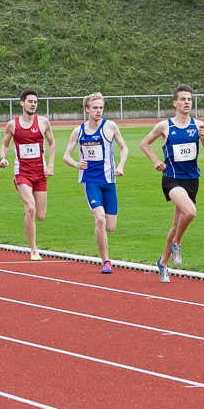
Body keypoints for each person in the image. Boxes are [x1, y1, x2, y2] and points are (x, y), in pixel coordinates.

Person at [140, 84, 204, 283]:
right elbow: (144, 143)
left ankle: (163, 263)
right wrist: (156, 161)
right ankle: (178, 244)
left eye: (189, 99)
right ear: (175, 103)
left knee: (175, 225)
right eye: (183, 99)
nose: (186, 102)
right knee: (190, 212)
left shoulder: (198, 125)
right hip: (172, 179)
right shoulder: (165, 126)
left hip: (192, 180)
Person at [61, 92, 128, 273]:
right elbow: (66, 156)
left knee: (110, 226)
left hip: (109, 181)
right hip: (90, 181)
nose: (99, 111)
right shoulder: (79, 131)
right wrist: (77, 164)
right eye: (95, 108)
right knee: (99, 219)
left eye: (101, 108)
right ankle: (106, 261)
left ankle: (103, 242)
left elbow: (124, 147)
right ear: (87, 110)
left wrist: (120, 166)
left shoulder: (110, 127)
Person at [0, 89, 55, 260]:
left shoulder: (43, 122)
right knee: (30, 208)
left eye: (35, 102)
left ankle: (33, 244)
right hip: (22, 172)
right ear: (22, 103)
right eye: (30, 101)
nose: (33, 105)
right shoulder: (12, 125)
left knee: (40, 215)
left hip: (40, 173)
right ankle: (34, 249)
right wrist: (2, 157)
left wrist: (50, 165)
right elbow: (5, 144)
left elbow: (52, 143)